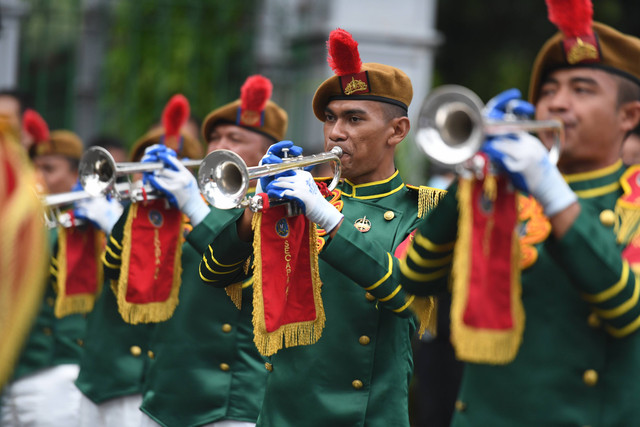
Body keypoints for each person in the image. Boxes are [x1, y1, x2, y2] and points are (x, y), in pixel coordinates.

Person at [399, 1, 640, 425]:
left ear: (629, 116)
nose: (558, 104)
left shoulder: (631, 196)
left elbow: (624, 307)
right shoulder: (502, 192)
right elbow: (414, 276)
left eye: (581, 90)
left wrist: (551, 189)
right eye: (548, 91)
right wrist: (470, 179)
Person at [199, 29, 443, 426]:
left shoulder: (424, 208)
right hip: (280, 412)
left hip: (363, 416)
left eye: (354, 118)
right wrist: (253, 209)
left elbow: (405, 297)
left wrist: (328, 218)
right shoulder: (303, 196)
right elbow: (213, 274)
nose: (335, 132)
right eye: (330, 118)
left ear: (397, 131)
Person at [138, 75, 288, 427]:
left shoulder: (277, 209)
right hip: (164, 393)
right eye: (214, 138)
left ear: (267, 151)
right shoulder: (189, 201)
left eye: (234, 138)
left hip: (229, 400)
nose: (219, 146)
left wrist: (192, 204)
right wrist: (143, 208)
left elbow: (239, 271)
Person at [74, 109, 204, 427]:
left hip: (147, 384)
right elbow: (111, 272)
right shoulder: (127, 213)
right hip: (97, 379)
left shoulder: (200, 225)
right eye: (147, 168)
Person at [1, 117, 88, 427]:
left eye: (49, 169)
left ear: (77, 174)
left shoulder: (88, 222)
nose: (36, 177)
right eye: (33, 167)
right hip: (16, 371)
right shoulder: (28, 221)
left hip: (55, 374)